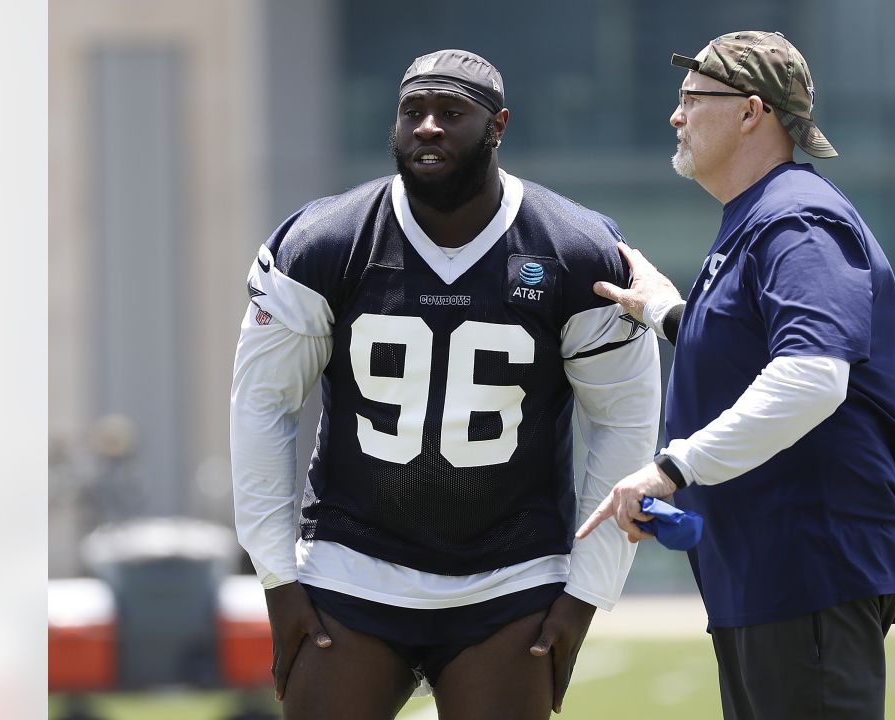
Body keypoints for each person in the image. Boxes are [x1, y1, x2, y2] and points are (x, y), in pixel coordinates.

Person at [231, 48, 661, 720]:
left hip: (509, 577)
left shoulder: (575, 251)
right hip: (352, 566)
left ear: (498, 125)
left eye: (451, 112)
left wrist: (586, 593)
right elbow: (262, 405)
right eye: (412, 111)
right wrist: (276, 576)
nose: (427, 126)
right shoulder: (324, 242)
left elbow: (624, 424)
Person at [577, 31, 895, 719]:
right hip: (771, 575)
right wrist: (670, 312)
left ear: (750, 111)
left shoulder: (797, 218)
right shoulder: (760, 218)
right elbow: (752, 349)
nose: (676, 117)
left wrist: (671, 467)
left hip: (808, 569)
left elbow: (812, 376)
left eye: (693, 99)